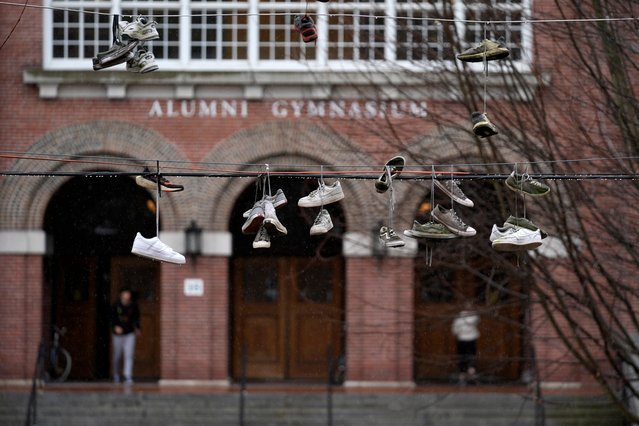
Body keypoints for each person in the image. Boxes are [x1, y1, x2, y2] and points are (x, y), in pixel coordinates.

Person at [110, 287, 140, 384]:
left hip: (129, 333)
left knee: (129, 355)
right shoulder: (116, 305)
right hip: (118, 335)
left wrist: (137, 328)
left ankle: (127, 375)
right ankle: (115, 374)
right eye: (125, 293)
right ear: (121, 295)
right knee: (117, 355)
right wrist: (115, 327)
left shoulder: (133, 306)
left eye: (128, 294)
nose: (127, 296)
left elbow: (136, 318)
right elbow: (111, 318)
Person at [452, 302, 480, 384]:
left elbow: (455, 329)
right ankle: (472, 373)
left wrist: (457, 332)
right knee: (472, 356)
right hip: (472, 338)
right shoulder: (475, 317)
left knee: (462, 357)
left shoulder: (459, 318)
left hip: (462, 339)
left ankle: (462, 376)